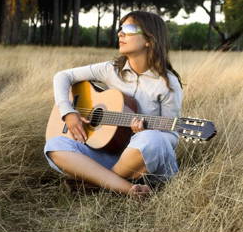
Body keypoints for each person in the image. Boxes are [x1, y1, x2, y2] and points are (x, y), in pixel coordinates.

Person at [43, 11, 184, 199]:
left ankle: (98, 183)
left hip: (145, 160)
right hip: (111, 153)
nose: (120, 33)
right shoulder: (111, 70)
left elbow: (171, 137)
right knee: (55, 145)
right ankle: (125, 187)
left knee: (152, 139)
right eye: (120, 28)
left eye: (129, 28)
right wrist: (68, 112)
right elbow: (63, 76)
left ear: (150, 39)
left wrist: (143, 134)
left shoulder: (167, 83)